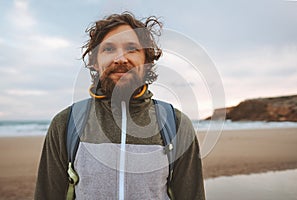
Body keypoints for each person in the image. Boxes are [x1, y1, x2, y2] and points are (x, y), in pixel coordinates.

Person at [34, 12, 206, 200]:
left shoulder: (176, 124)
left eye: (132, 49)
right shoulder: (66, 124)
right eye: (108, 49)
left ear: (147, 62)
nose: (121, 59)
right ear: (95, 62)